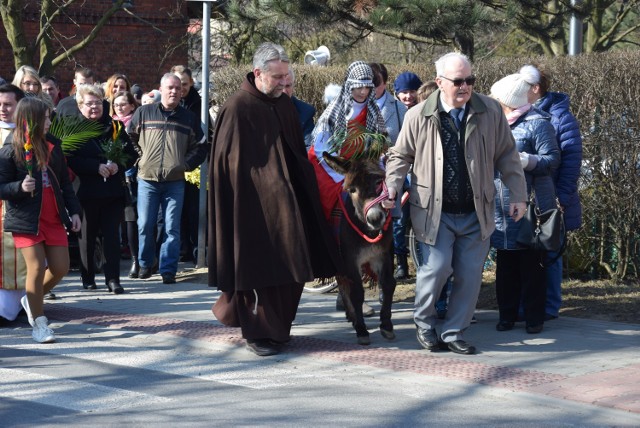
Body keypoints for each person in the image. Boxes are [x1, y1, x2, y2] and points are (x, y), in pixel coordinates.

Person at [383, 52, 527, 355]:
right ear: (439, 82)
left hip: (476, 209)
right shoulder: (418, 115)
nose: (465, 87)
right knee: (436, 269)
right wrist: (392, 187)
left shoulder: (490, 111)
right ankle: (424, 323)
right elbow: (400, 156)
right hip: (435, 211)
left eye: (470, 80)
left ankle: (453, 331)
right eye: (458, 81)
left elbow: (507, 155)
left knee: (470, 274)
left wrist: (518, 194)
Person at [209, 42, 339, 357]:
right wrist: (263, 186)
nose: (283, 83)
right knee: (257, 269)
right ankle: (258, 333)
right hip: (250, 206)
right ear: (258, 73)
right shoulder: (237, 107)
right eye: (277, 77)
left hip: (288, 201)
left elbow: (294, 151)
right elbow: (228, 164)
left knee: (293, 262)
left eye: (286, 77)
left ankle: (278, 329)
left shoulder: (282, 104)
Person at [0, 97, 82, 343]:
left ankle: (30, 298)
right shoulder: (10, 149)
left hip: (54, 217)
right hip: (26, 220)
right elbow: (2, 186)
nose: (49, 121)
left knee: (60, 268)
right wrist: (19, 187)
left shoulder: (54, 146)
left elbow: (66, 184)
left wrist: (74, 211)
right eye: (45, 117)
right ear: (33, 120)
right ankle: (39, 323)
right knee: (35, 269)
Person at [490, 73, 561, 334]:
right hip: (499, 204)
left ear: (508, 100)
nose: (492, 102)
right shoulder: (494, 123)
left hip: (531, 205)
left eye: (497, 98)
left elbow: (552, 161)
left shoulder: (538, 123)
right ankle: (506, 315)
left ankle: (534, 318)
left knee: (532, 265)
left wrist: (526, 160)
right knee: (505, 264)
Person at [127, 73, 206, 284]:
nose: (174, 91)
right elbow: (129, 137)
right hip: (147, 179)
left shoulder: (188, 118)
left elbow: (200, 147)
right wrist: (141, 158)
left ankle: (168, 269)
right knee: (145, 224)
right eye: (170, 87)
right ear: (160, 89)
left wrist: (185, 165)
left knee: (172, 227)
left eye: (178, 88)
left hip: (175, 181)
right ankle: (145, 264)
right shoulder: (144, 112)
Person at [519, 64, 583, 321]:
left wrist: (562, 199)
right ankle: (533, 304)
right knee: (532, 251)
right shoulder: (526, 113)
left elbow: (571, 162)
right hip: (531, 197)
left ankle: (549, 307)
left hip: (552, 197)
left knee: (550, 251)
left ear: (535, 88)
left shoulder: (560, 118)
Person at [66, 84, 137, 294]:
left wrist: (118, 165)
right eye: (89, 103)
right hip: (86, 191)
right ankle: (88, 277)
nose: (94, 107)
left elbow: (131, 155)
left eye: (98, 102)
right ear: (80, 106)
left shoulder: (114, 127)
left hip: (112, 192)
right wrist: (95, 167)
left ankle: (113, 279)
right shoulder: (74, 130)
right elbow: (69, 159)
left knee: (112, 237)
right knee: (86, 237)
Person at [0, 84, 27, 322]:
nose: (2, 109)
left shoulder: (27, 133)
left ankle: (17, 306)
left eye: (8, 104)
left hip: (18, 207)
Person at [110, 91, 140, 278]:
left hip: (132, 177)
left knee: (131, 219)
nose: (119, 108)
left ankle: (136, 260)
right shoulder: (108, 126)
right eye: (116, 105)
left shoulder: (134, 123)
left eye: (123, 104)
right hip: (112, 178)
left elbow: (136, 151)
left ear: (132, 105)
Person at [283, 68, 316, 149]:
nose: (284, 91)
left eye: (287, 86)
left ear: (293, 86)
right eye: (280, 86)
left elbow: (308, 147)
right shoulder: (258, 109)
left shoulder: (305, 112)